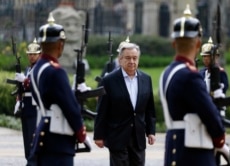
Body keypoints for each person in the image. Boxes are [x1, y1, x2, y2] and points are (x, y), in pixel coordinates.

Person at [159, 5, 226, 166]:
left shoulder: (167, 72)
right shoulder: (190, 76)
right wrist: (220, 139)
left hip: (174, 148)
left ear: (173, 43)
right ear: (198, 44)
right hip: (193, 154)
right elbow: (210, 117)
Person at [29, 13, 87, 166]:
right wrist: (81, 132)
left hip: (43, 132)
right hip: (58, 139)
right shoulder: (56, 71)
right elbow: (70, 106)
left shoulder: (36, 68)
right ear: (61, 44)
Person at [94, 42, 156, 166]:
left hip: (138, 137)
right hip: (117, 136)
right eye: (128, 58)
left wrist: (151, 131)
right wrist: (98, 135)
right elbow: (102, 110)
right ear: (120, 59)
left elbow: (149, 109)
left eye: (135, 58)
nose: (132, 61)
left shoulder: (146, 79)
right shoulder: (109, 80)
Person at [14, 38, 41, 165]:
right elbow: (21, 89)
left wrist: (24, 80)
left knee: (33, 138)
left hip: (36, 109)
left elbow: (36, 85)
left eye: (34, 54)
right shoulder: (27, 69)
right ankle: (29, 160)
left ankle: (32, 162)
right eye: (30, 54)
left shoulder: (40, 69)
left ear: (39, 55)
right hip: (26, 108)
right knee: (26, 139)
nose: (31, 57)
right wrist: (18, 100)